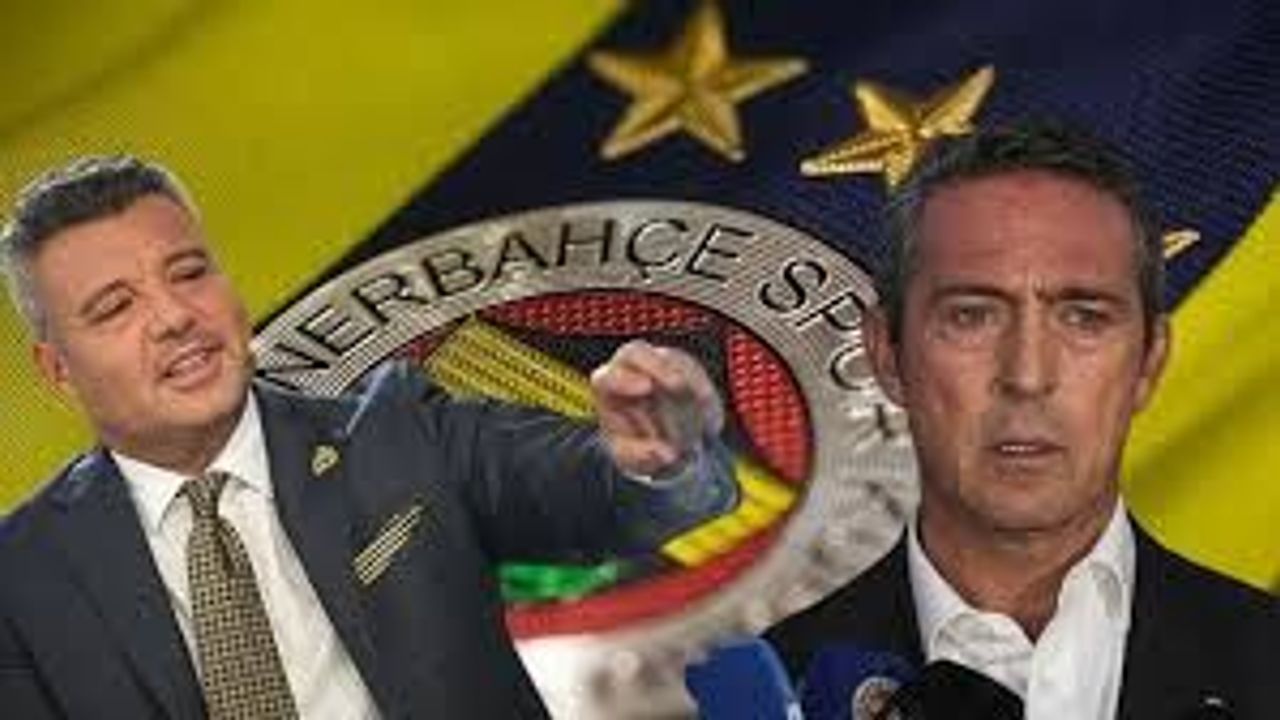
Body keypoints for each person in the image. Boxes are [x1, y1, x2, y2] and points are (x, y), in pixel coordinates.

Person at [0, 156, 737, 719]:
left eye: (189, 273)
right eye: (116, 308)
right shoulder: (21, 580)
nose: (173, 317)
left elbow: (586, 491)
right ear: (58, 369)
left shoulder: (395, 431)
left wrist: (657, 462)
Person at [766, 122, 1279, 719]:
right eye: (971, 316)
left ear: (1149, 361)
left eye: (1084, 317)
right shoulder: (768, 694)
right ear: (887, 355)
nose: (1028, 376)